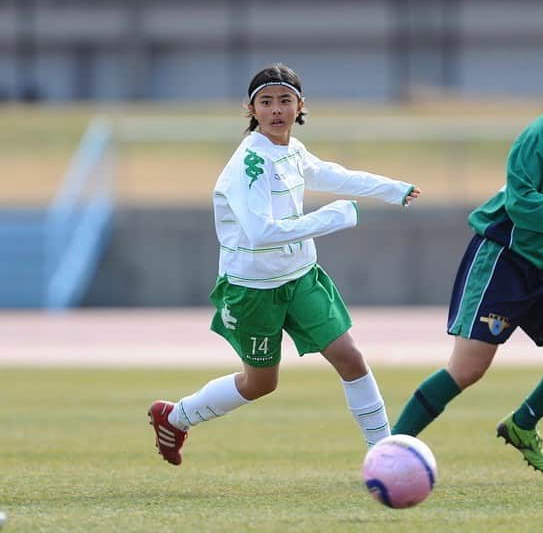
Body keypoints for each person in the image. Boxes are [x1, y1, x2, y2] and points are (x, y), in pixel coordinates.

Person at [148, 63, 421, 466]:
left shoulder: (291, 151)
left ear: (300, 105)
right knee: (260, 383)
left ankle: (385, 454)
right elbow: (261, 232)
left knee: (350, 356)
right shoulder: (249, 164)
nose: (277, 109)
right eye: (267, 101)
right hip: (253, 288)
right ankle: (176, 416)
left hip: (301, 277)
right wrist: (333, 217)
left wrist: (392, 189)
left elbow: (334, 175)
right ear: (251, 108)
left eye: (285, 101)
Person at [392, 114, 543, 472]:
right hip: (506, 258)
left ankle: (522, 424)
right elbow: (522, 204)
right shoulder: (537, 136)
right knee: (468, 367)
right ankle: (389, 451)